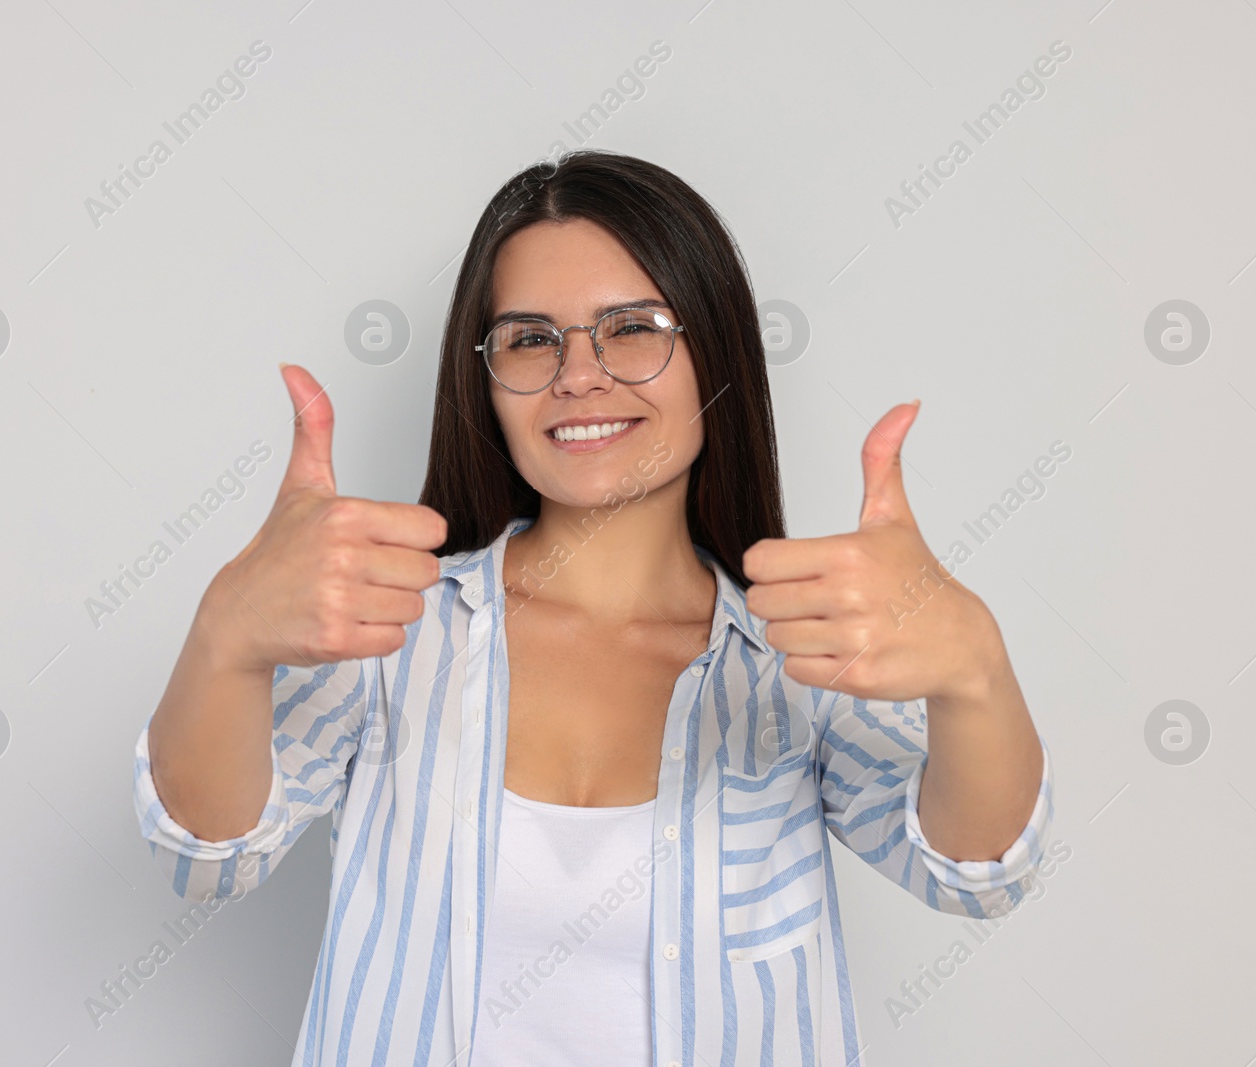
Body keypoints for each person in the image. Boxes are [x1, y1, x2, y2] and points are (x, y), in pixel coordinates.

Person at [133, 149, 1053, 1066]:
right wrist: (226, 639)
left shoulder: (793, 654)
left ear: (715, 354)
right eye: (532, 338)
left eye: (633, 327)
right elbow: (206, 856)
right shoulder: (396, 628)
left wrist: (977, 671)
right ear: (486, 381)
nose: (580, 375)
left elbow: (972, 875)